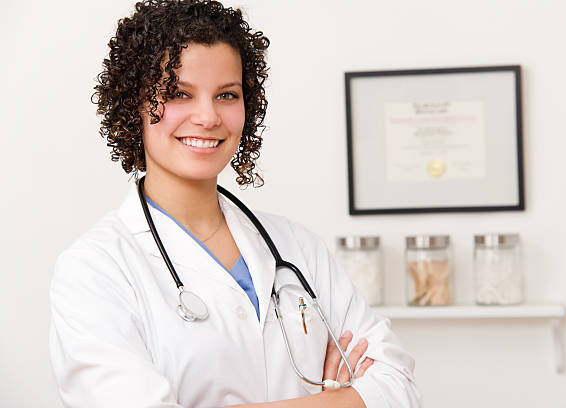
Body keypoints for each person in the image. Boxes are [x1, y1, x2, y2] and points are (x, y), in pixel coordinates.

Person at [48, 1, 421, 407]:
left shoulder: (297, 248)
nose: (208, 116)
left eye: (227, 94)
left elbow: (398, 386)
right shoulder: (95, 269)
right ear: (132, 104)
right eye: (179, 94)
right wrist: (344, 399)